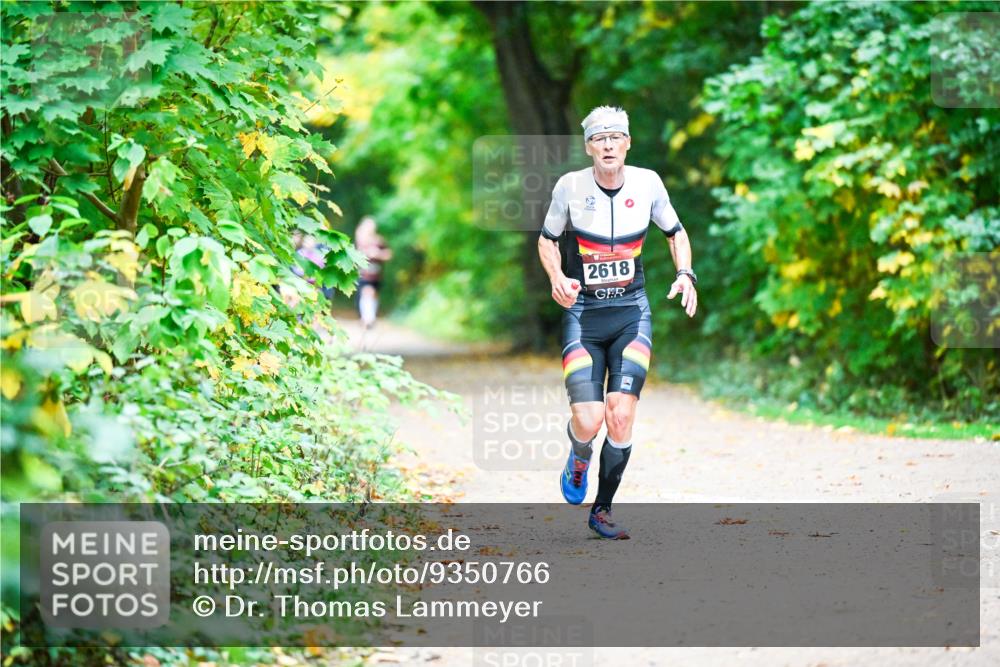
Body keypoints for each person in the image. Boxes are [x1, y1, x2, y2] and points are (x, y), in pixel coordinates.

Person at [537, 106, 698, 539]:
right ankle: (579, 455)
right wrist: (557, 277)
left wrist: (685, 273)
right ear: (588, 147)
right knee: (589, 420)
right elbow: (548, 239)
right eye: (599, 138)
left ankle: (602, 509)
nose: (607, 145)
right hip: (583, 316)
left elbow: (676, 232)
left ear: (627, 143)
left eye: (615, 137)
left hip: (632, 314)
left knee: (621, 415)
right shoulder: (569, 187)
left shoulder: (648, 184)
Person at [354, 216, 392, 329]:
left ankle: (370, 317)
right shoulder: (360, 240)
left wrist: (378, 254)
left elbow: (388, 254)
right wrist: (366, 253)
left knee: (373, 295)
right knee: (367, 292)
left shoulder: (379, 240)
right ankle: (368, 319)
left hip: (376, 275)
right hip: (363, 275)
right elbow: (355, 254)